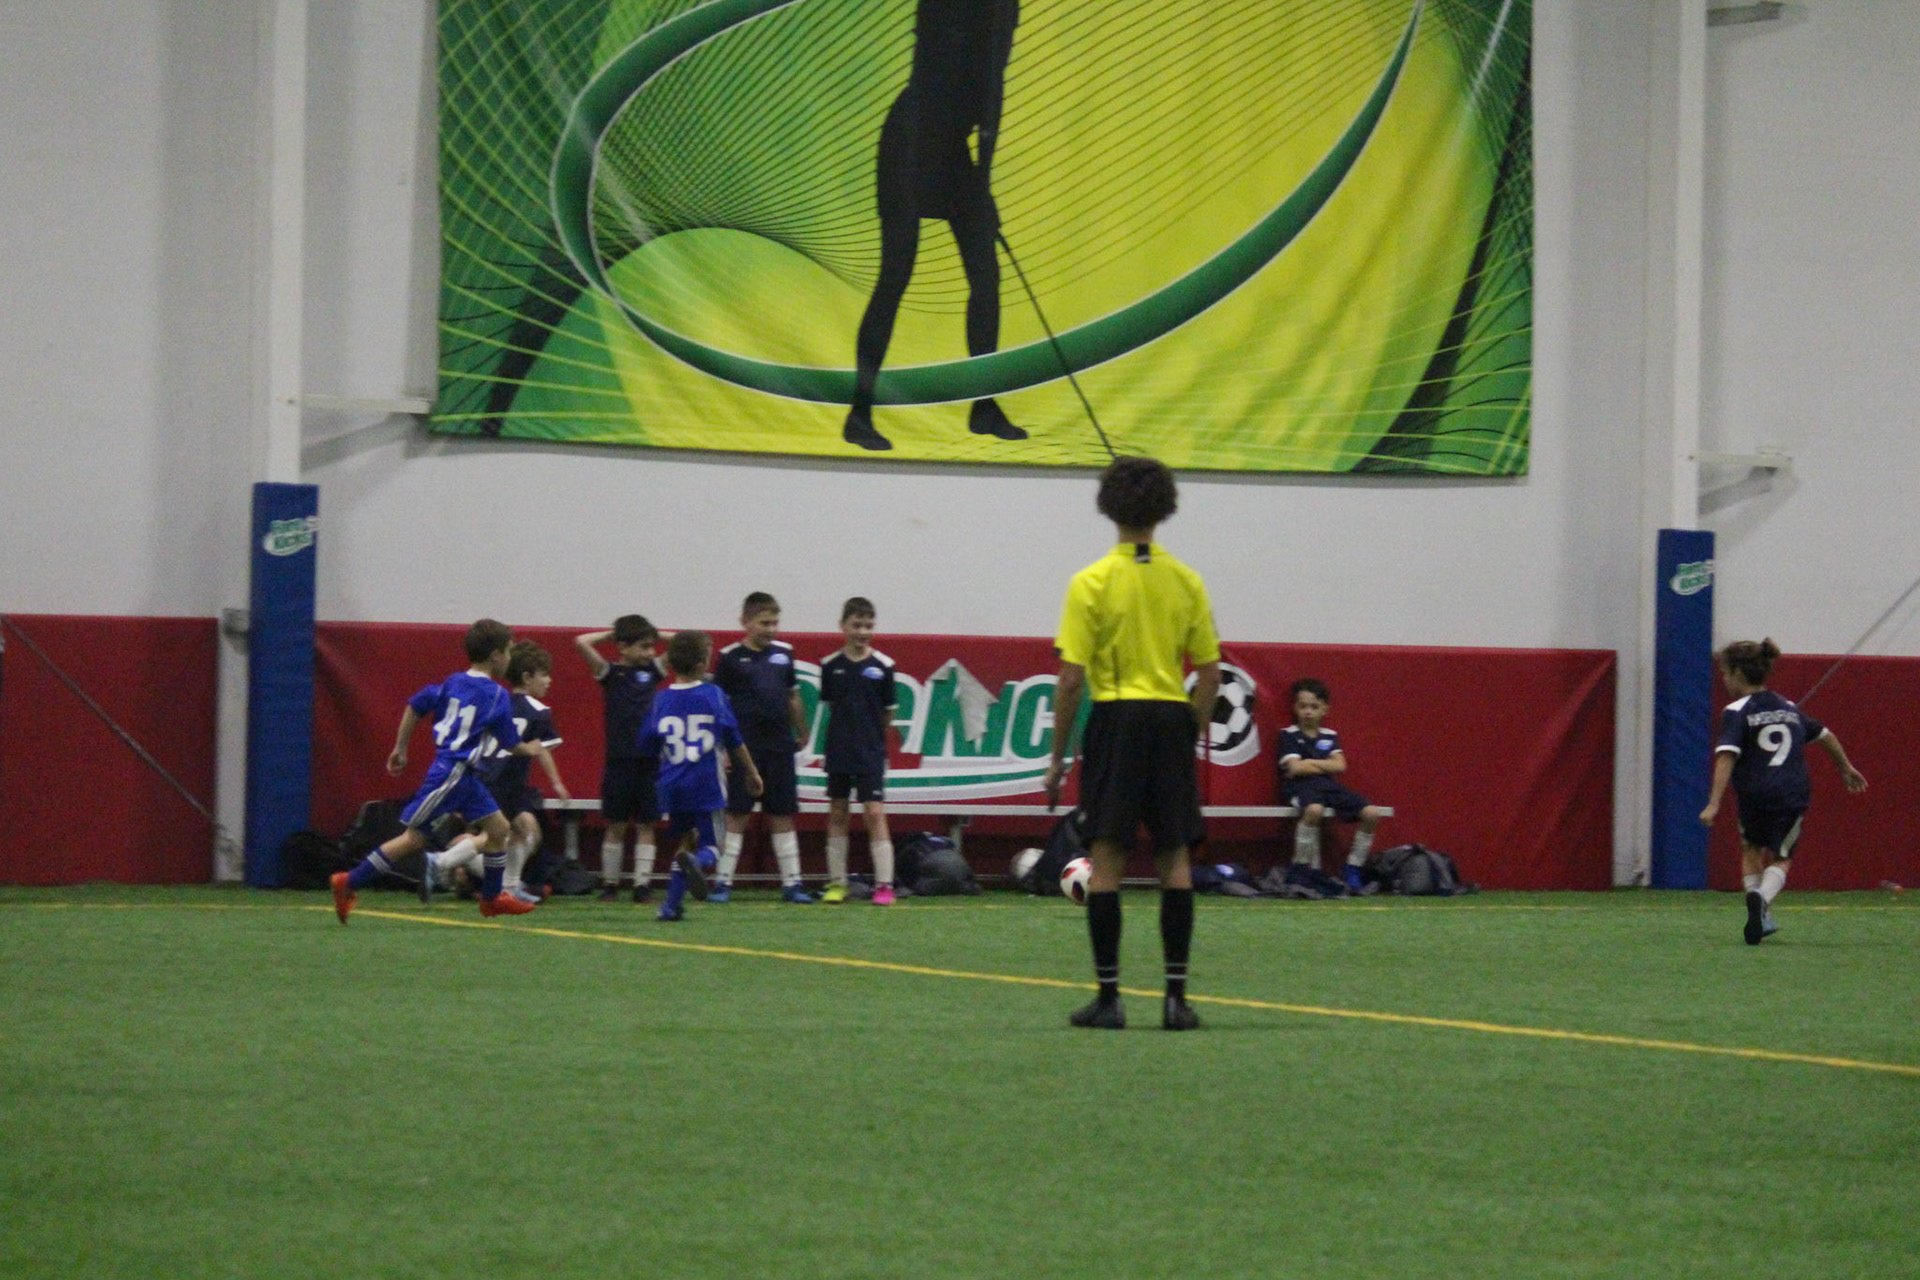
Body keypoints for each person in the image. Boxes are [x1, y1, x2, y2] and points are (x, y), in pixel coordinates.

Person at [1043, 456, 1220, 1031]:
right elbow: (1211, 677)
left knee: (1107, 859)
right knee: (1174, 856)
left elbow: (1071, 680)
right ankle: (1176, 1001)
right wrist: (1187, 733)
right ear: (1164, 508)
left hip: (1116, 718)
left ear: (1108, 506)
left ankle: (1109, 998)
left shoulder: (1090, 582)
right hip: (1170, 718)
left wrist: (1057, 759)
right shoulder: (1187, 580)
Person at [842, 0, 1026, 452]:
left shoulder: (1006, 6)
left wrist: (981, 182)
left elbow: (993, 91)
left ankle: (984, 406)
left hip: (952, 148)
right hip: (910, 139)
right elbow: (949, 73)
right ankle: (859, 413)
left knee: (986, 276)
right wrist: (980, 185)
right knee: (895, 276)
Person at [330, 618, 536, 923]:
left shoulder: (453, 682)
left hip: (464, 775)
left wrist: (400, 747)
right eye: (507, 651)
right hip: (453, 775)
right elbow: (510, 743)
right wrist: (531, 748)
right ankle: (348, 881)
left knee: (499, 829)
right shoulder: (497, 695)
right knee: (413, 839)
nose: (509, 658)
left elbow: (415, 705)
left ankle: (492, 898)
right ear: (495, 656)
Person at [1699, 639, 1866, 945]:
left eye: (1724, 673)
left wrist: (1714, 802)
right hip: (1791, 794)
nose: (1723, 679)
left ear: (1737, 674)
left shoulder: (1735, 711)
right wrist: (1846, 767)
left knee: (1751, 849)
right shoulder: (1788, 707)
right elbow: (1826, 735)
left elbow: (1726, 756)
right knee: (1782, 856)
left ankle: (1757, 902)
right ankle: (1762, 902)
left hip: (1754, 794)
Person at [639, 630, 765, 921]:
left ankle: (671, 906)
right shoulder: (713, 695)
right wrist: (752, 772)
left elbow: (646, 743)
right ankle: (698, 862)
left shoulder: (660, 700)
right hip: (705, 783)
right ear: (701, 665)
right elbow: (734, 739)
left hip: (672, 785)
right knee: (714, 845)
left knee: (686, 842)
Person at [441, 641, 570, 900]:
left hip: (484, 777)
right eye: (544, 674)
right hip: (504, 782)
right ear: (527, 677)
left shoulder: (496, 702)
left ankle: (508, 888)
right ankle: (441, 862)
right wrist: (557, 782)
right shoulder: (539, 711)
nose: (549, 681)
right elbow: (542, 749)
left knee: (523, 831)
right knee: (497, 835)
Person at [712, 593, 814, 903]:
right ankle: (723, 882)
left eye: (774, 623)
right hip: (745, 749)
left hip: (780, 746)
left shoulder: (784, 654)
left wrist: (802, 731)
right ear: (745, 622)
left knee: (782, 813)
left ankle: (792, 884)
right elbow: (719, 705)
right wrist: (723, 747)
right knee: (737, 813)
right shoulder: (729, 658)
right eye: (764, 623)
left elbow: (793, 696)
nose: (771, 629)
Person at [575, 616, 666, 902]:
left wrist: (654, 633)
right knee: (616, 824)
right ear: (623, 647)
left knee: (646, 824)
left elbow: (685, 642)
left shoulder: (653, 671)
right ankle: (610, 884)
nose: (651, 652)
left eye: (652, 646)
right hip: (619, 761)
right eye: (644, 646)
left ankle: (642, 885)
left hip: (649, 761)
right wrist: (612, 634)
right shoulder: (610, 674)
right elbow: (581, 642)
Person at [818, 597, 899, 904]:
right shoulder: (830, 666)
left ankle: (884, 886)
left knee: (874, 813)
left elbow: (888, 713)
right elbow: (831, 707)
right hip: (839, 749)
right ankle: (837, 883)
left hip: (870, 751)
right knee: (838, 811)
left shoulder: (884, 666)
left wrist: (872, 740)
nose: (863, 632)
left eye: (868, 626)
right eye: (856, 625)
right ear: (843, 626)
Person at [1278, 677, 1388, 891]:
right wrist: (1323, 764)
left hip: (1328, 787)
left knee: (1371, 813)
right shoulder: (1288, 735)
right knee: (1314, 810)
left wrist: (1309, 762)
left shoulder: (1330, 736)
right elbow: (1295, 769)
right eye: (1303, 706)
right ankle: (1299, 867)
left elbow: (1340, 766)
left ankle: (1354, 866)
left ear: (1324, 709)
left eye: (1314, 707)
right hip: (1301, 787)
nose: (1308, 712)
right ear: (1295, 707)